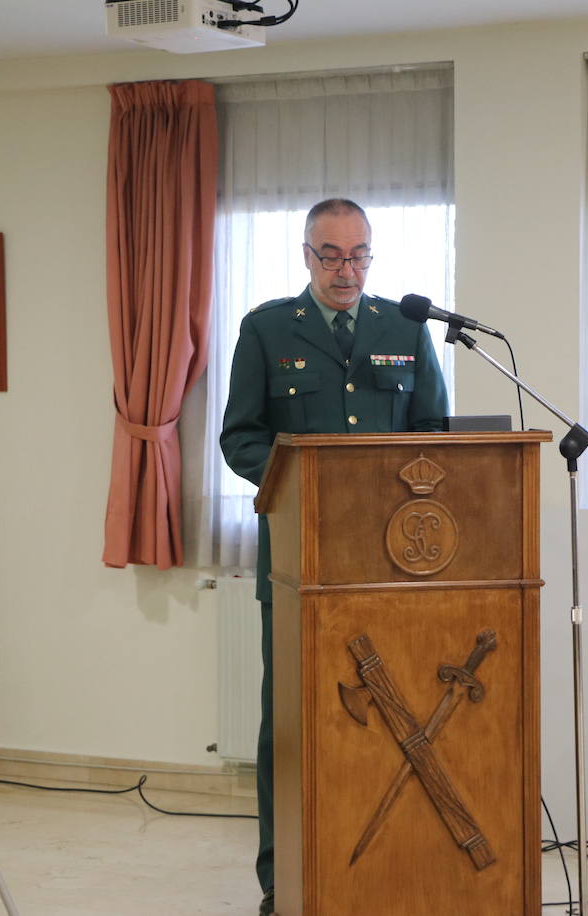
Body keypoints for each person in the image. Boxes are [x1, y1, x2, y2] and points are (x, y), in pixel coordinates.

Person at [219, 198, 449, 916]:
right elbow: (241, 437)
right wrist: (302, 484)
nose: (346, 269)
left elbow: (433, 428)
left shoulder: (405, 327)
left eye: (359, 255)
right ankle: (280, 878)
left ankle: (375, 869)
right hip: (297, 561)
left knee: (388, 719)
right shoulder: (265, 330)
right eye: (330, 255)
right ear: (306, 255)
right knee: (288, 721)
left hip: (390, 568)